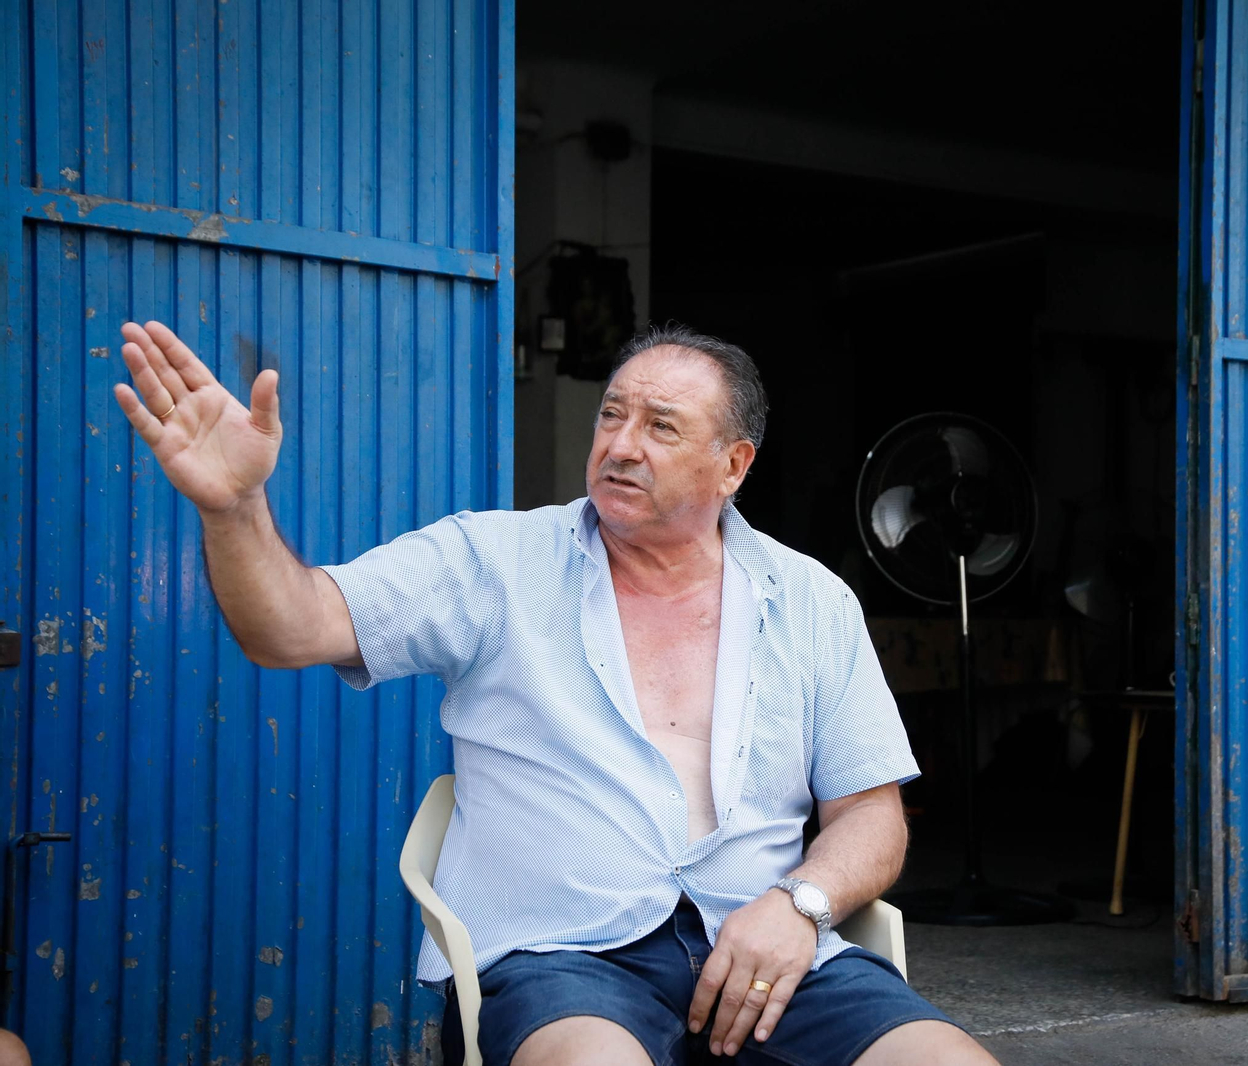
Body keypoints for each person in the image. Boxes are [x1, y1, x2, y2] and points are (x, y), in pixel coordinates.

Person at [113, 320, 998, 1066]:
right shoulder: (492, 563)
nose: (620, 444)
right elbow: (291, 628)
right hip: (564, 961)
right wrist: (234, 508)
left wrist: (799, 906)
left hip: (766, 945)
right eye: (611, 415)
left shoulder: (810, 601)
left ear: (733, 465)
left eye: (660, 426)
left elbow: (872, 816)